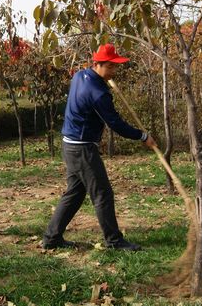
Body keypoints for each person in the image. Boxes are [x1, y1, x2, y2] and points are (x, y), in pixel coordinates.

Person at [42, 43, 155, 251]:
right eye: (110, 66)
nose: (114, 71)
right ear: (97, 64)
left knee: (75, 193)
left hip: (70, 144)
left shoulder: (80, 76)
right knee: (102, 193)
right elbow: (116, 124)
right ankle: (114, 241)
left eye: (115, 66)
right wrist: (142, 136)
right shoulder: (98, 94)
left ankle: (51, 238)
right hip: (82, 148)